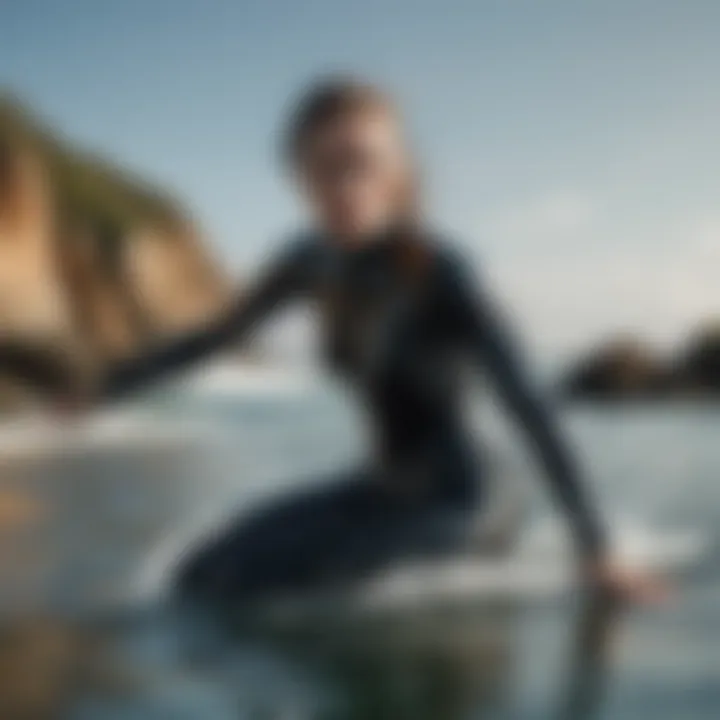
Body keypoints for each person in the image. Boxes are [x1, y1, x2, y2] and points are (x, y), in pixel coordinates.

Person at [95, 78, 658, 606]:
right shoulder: (307, 261)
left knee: (258, 585)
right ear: (299, 178)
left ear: (396, 175)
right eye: (322, 168)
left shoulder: (443, 273)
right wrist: (103, 389)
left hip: (469, 502)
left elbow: (528, 405)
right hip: (382, 489)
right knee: (198, 573)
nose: (343, 187)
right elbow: (218, 337)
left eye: (360, 165)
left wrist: (597, 548)